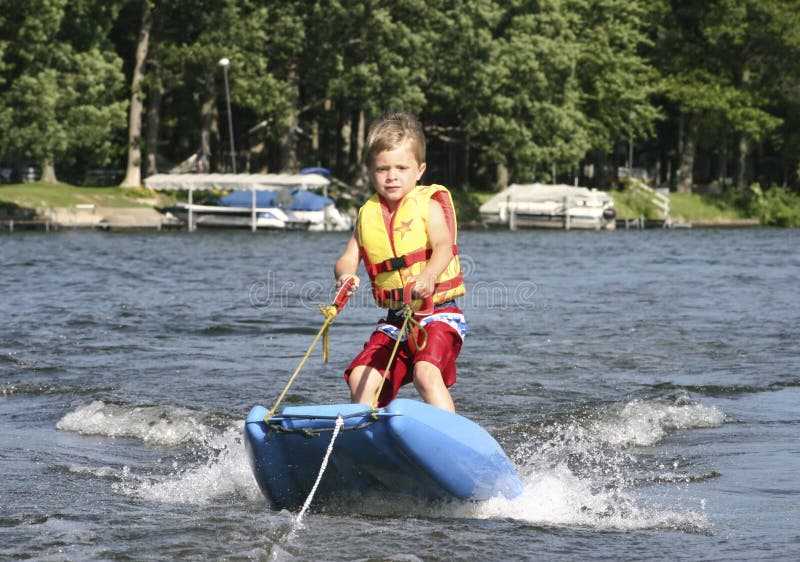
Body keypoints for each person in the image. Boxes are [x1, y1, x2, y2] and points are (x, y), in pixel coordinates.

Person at [333, 111, 467, 412]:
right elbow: (348, 258)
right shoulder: (368, 215)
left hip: (438, 315)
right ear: (370, 170)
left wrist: (430, 275)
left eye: (401, 168)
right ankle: (368, 437)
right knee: (360, 377)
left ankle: (448, 436)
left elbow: (444, 247)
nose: (392, 175)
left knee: (425, 374)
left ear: (419, 170)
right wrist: (345, 277)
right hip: (397, 318)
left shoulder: (427, 206)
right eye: (382, 169)